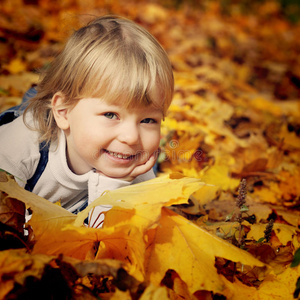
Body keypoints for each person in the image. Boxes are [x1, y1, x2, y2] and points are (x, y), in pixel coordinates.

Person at [0, 15, 174, 227]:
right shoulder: (17, 149)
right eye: (111, 115)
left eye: (148, 120)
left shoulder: (137, 167)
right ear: (64, 112)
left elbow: (108, 244)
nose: (131, 137)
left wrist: (115, 186)